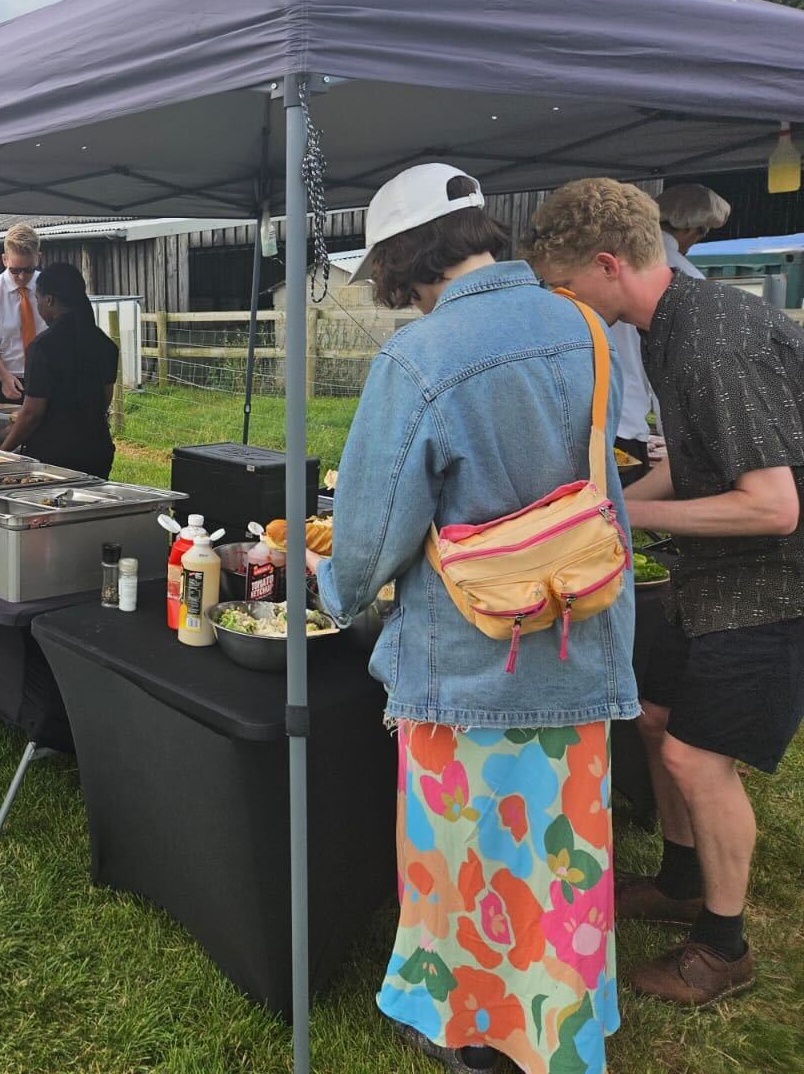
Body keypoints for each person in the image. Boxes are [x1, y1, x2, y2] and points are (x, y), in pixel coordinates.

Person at [309, 164, 636, 1074]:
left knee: (465, 857)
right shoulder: (581, 323)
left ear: (402, 262)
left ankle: (476, 1035)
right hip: (579, 636)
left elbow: (371, 538)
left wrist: (328, 584)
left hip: (468, 657)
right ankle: (560, 1028)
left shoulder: (419, 359)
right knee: (559, 861)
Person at [527, 177, 804, 1008]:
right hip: (709, 576)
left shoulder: (714, 338)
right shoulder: (667, 326)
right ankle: (682, 879)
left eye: (567, 292)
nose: (564, 309)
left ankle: (724, 947)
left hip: (775, 586)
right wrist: (614, 500)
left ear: (609, 264)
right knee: (652, 718)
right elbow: (699, 455)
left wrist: (628, 514)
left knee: (694, 756)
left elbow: (774, 504)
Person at [607, 184, 725, 469]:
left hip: (599, 414)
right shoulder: (683, 278)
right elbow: (676, 368)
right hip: (628, 420)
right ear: (690, 229)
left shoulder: (612, 265)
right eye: (700, 234)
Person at [0, 263, 118, 477]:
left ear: (49, 300)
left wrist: (1, 454)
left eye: (38, 300)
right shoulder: (105, 345)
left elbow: (32, 414)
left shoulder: (42, 347)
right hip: (97, 451)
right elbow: (105, 399)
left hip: (55, 457)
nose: (38, 306)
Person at [0, 224, 48, 403]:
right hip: (7, 380)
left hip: (48, 377)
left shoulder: (50, 289)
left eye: (28, 269)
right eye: (15, 270)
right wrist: (4, 377)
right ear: (4, 259)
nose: (22, 277)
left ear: (38, 258)